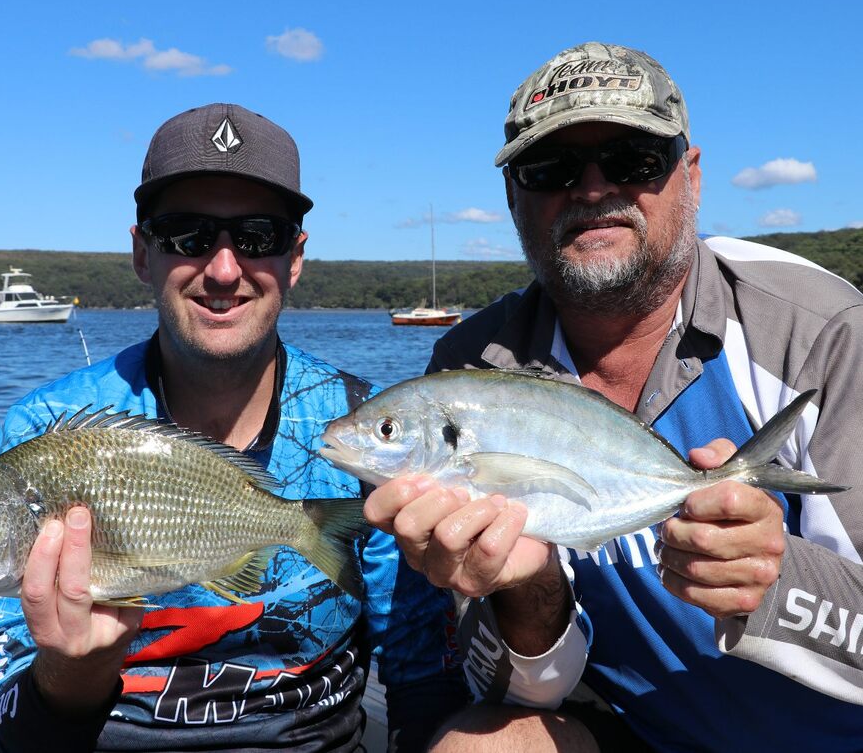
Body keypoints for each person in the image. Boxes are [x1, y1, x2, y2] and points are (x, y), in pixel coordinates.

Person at [364, 42, 863, 752]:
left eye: (633, 160)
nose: (593, 189)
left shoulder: (818, 331)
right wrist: (527, 586)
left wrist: (775, 580)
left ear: (690, 177)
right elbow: (521, 690)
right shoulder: (472, 368)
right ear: (514, 199)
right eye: (551, 169)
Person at [0, 103, 467, 753]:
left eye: (258, 236)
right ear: (143, 253)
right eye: (187, 234)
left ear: (295, 258)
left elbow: (422, 681)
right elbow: (5, 727)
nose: (225, 268)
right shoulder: (44, 433)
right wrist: (75, 671)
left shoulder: (368, 431)